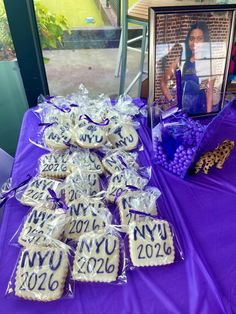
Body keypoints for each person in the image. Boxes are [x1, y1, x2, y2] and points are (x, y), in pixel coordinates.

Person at [160, 21, 216, 114]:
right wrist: (172, 102)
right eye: (192, 38)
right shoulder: (181, 60)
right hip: (181, 110)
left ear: (205, 41)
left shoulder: (210, 63)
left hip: (199, 109)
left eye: (199, 39)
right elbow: (163, 82)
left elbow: (209, 94)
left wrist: (208, 116)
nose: (194, 43)